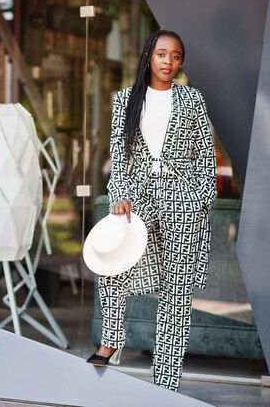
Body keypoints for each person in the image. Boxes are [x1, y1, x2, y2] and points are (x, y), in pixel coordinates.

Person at [87, 29, 217, 392]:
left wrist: (202, 196)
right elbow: (120, 158)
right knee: (113, 266)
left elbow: (205, 154)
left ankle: (166, 384)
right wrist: (120, 194)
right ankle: (110, 340)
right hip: (139, 196)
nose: (168, 62)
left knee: (176, 292)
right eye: (162, 54)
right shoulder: (126, 100)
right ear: (149, 57)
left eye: (176, 56)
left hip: (183, 197)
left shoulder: (192, 99)